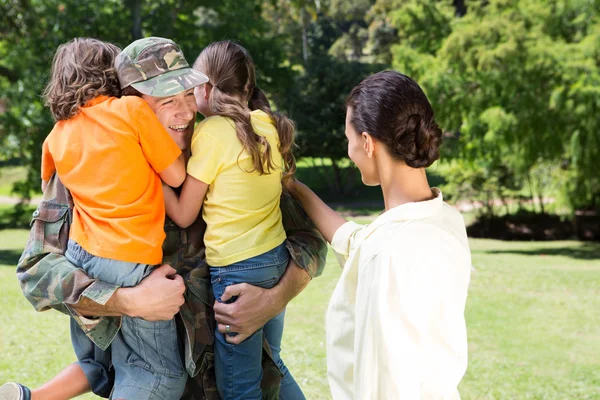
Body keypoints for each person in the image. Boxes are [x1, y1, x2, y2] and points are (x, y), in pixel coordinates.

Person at [4, 37, 327, 400]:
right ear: (130, 107)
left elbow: (307, 237)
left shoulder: (225, 143)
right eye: (165, 101)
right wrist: (126, 299)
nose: (186, 113)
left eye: (188, 95)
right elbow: (37, 270)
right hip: (153, 385)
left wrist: (274, 297)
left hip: (245, 383)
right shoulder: (93, 172)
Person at [285, 70, 472, 399]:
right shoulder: (443, 220)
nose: (349, 152)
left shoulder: (387, 256)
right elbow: (359, 241)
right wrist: (295, 189)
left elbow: (382, 382)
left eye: (349, 139)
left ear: (368, 143)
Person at [162, 40, 303, 400]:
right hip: (275, 261)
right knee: (272, 364)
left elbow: (183, 213)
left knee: (237, 387)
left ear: (205, 89)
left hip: (237, 274)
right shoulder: (267, 125)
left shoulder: (211, 133)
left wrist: (151, 171)